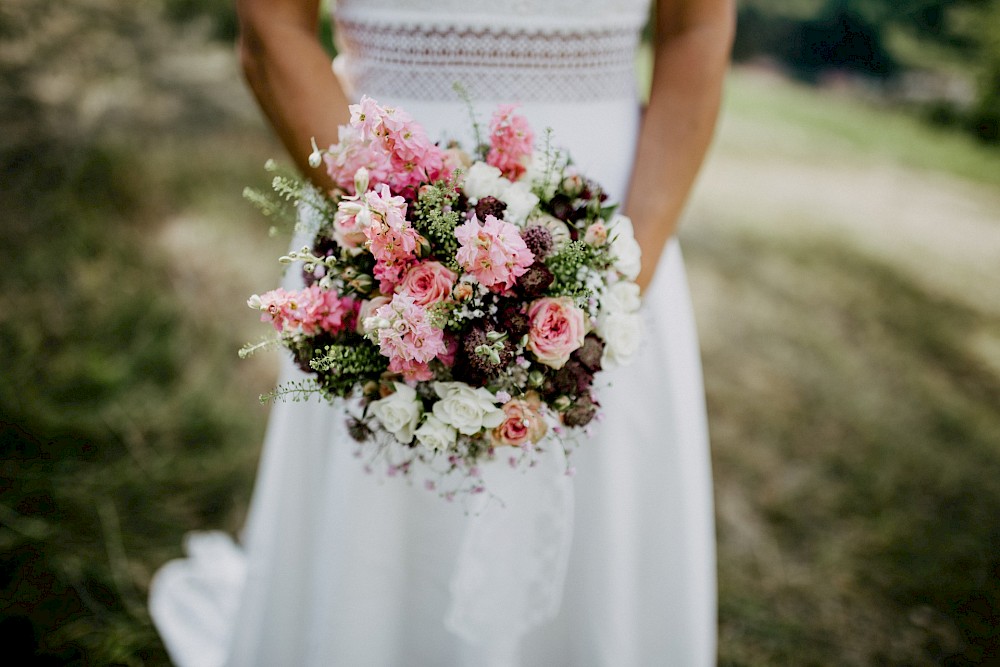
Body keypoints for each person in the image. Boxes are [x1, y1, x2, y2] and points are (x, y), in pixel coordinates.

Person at [149, 0, 735, 665]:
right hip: (375, 203)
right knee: (377, 517)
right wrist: (393, 248)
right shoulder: (381, 233)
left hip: (611, 215)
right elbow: (271, 28)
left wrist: (620, 274)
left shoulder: (616, 264)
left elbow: (698, 27)